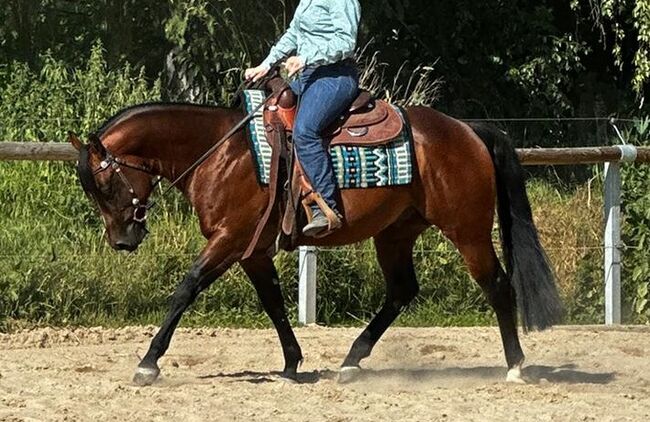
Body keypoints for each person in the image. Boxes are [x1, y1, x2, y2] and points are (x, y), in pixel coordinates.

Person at [245, 0, 361, 238]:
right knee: (271, 114)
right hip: (307, 76)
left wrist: (307, 57)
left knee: (305, 131)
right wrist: (266, 65)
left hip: (335, 75)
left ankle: (327, 206)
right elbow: (294, 33)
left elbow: (346, 41)